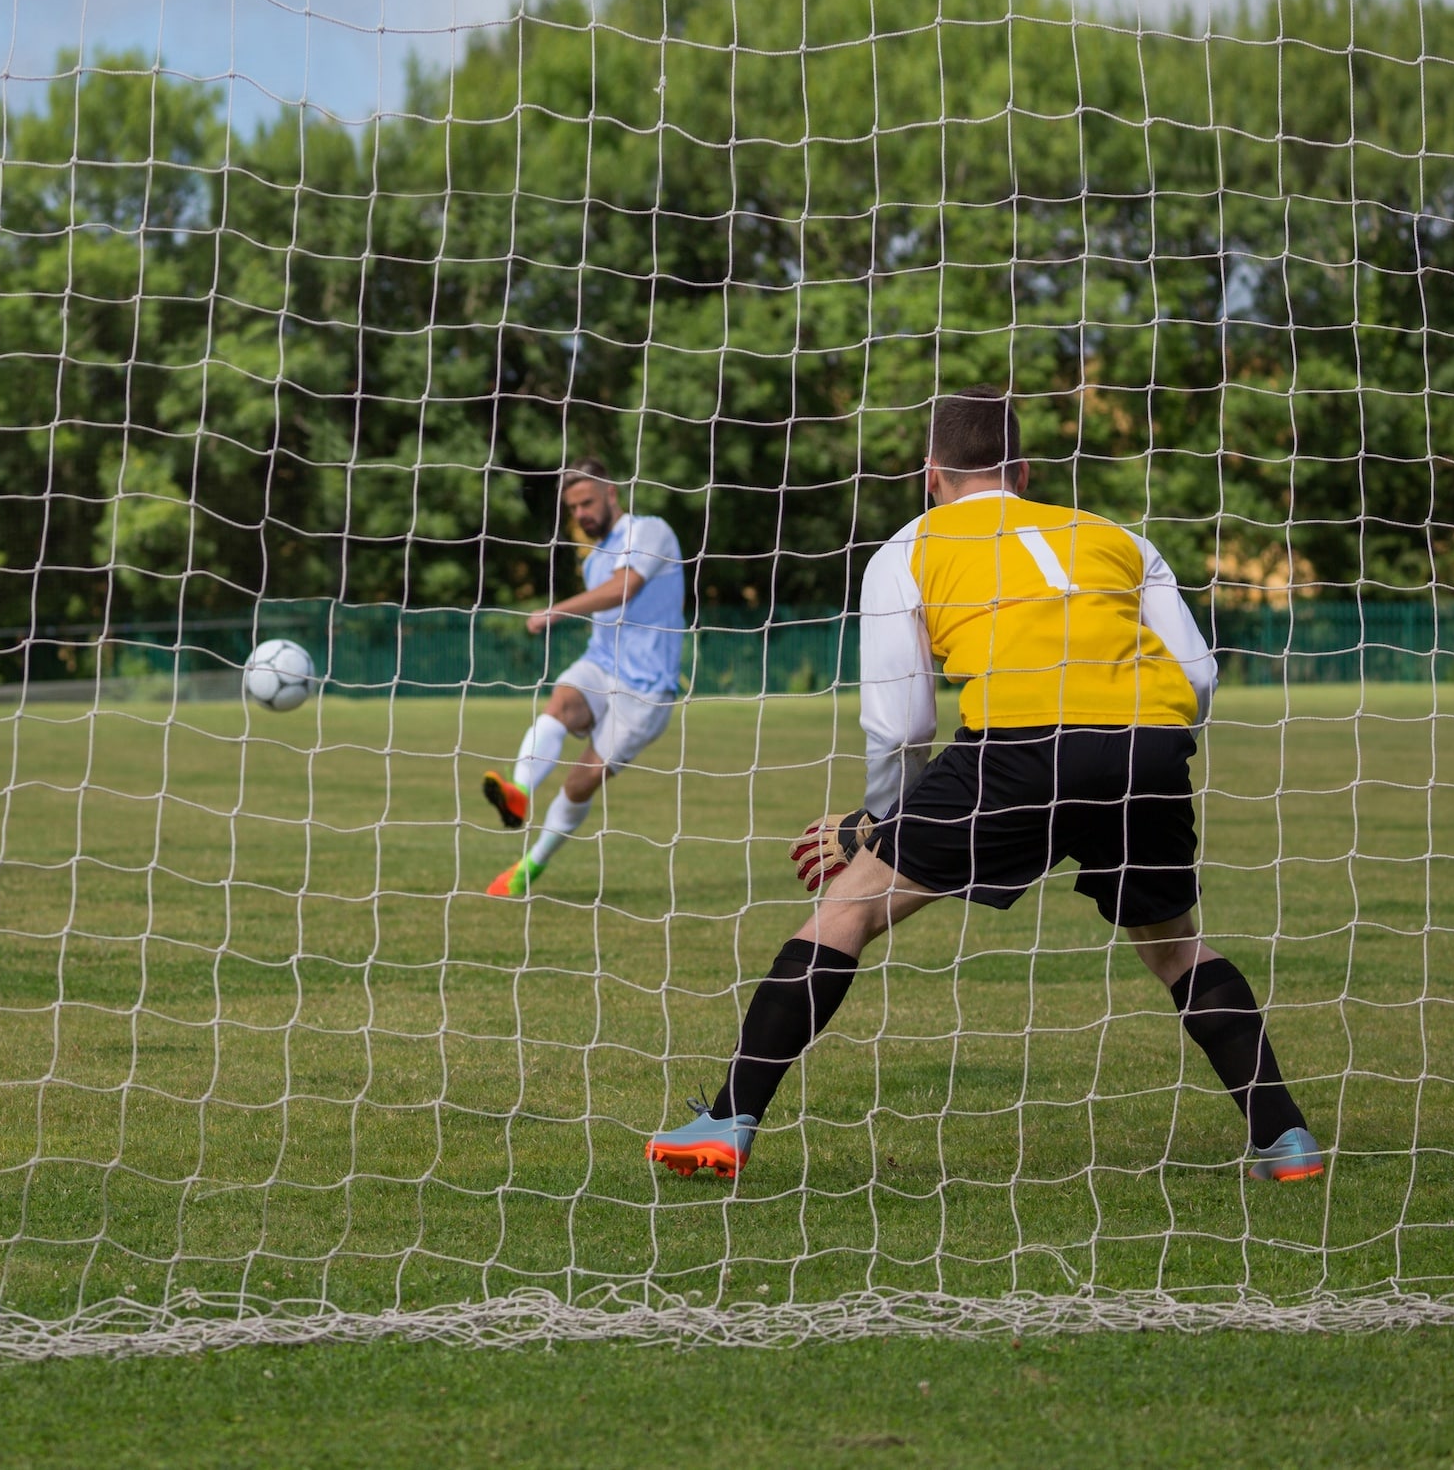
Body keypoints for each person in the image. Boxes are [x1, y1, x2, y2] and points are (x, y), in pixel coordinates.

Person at [645, 386, 1324, 1184]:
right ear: (1026, 469)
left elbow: (901, 726)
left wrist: (877, 823)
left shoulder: (908, 548)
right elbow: (1199, 677)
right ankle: (1286, 1140)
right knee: (1175, 945)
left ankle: (727, 1119)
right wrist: (1148, 753)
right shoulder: (1119, 538)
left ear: (930, 474)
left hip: (1020, 747)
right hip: (1150, 746)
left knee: (847, 909)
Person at [479, 459, 686, 896]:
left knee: (580, 781)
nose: (580, 514)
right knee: (560, 701)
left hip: (645, 691)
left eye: (587, 502)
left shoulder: (649, 530)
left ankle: (529, 867)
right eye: (572, 508)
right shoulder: (593, 560)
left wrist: (556, 609)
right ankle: (517, 791)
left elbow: (624, 587)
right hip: (600, 665)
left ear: (611, 492)